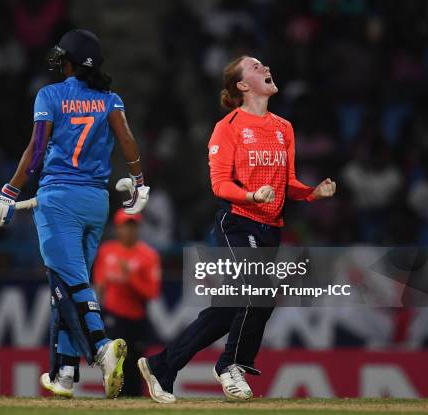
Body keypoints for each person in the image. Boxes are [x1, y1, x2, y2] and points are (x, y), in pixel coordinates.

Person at [138, 55, 336, 403]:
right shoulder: (227, 127)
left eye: (265, 65)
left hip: (270, 228)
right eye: (256, 67)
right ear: (242, 85)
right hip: (237, 222)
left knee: (228, 309)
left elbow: (287, 182)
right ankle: (232, 364)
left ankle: (162, 367)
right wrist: (251, 195)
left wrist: (312, 193)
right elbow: (218, 185)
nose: (266, 68)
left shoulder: (283, 128)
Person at [0, 29, 150, 399]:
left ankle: (100, 347)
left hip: (58, 198)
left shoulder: (50, 95)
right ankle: (63, 373)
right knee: (67, 288)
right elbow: (126, 140)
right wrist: (139, 180)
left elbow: (37, 147)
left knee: (70, 286)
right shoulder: (110, 99)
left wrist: (9, 191)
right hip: (96, 202)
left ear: (69, 61)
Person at [94, 209, 161, 396]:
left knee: (135, 365)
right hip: (113, 316)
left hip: (137, 318)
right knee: (114, 364)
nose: (129, 231)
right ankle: (113, 398)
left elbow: (152, 292)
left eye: (133, 226)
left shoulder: (148, 255)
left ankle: (133, 402)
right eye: (125, 226)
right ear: (117, 228)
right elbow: (100, 284)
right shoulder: (107, 251)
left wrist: (130, 277)